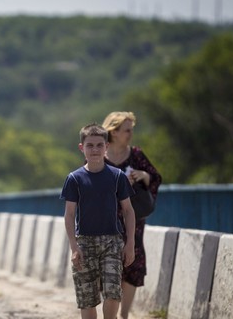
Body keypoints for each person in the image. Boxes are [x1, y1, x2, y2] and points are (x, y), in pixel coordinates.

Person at [60, 123, 136, 319]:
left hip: (112, 241)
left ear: (106, 147)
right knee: (87, 298)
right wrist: (74, 246)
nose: (95, 150)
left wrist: (130, 244)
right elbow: (69, 214)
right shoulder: (74, 179)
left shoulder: (117, 176)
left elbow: (128, 210)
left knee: (112, 291)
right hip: (84, 243)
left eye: (99, 145)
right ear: (81, 148)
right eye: (90, 145)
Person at [102, 111, 162, 319]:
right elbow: (87, 181)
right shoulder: (100, 155)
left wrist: (143, 175)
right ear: (114, 132)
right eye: (127, 130)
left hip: (133, 221)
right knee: (110, 267)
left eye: (131, 130)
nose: (130, 134)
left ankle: (124, 315)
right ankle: (112, 313)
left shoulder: (136, 155)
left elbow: (155, 178)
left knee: (133, 265)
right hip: (107, 222)